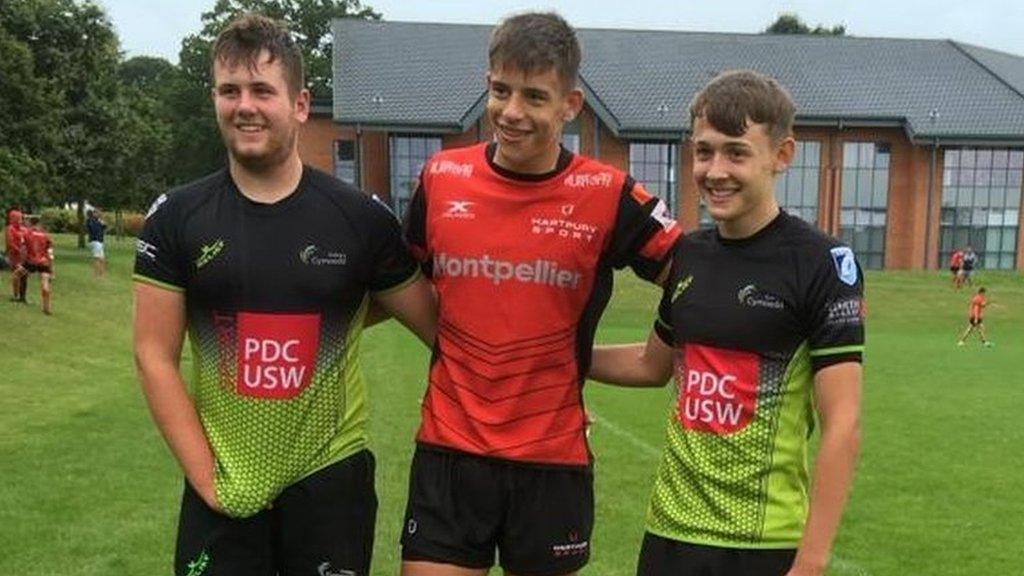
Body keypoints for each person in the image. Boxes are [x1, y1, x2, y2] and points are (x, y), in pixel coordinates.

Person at [132, 13, 436, 576]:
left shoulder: (359, 220)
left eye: (261, 90)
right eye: (229, 90)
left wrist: (540, 402)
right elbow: (154, 355)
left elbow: (442, 330)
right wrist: (209, 482)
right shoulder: (176, 217)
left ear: (299, 103)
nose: (244, 105)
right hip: (222, 478)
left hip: (330, 478)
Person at [399, 12, 682, 576]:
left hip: (552, 460)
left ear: (570, 105)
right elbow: (395, 283)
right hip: (449, 453)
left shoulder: (607, 193)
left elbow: (692, 271)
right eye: (501, 91)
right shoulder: (440, 177)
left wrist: (659, 353)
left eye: (534, 96)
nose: (511, 113)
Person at [589, 70, 865, 576]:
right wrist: (564, 356)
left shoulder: (822, 263)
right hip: (669, 533)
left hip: (764, 544)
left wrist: (812, 559)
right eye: (704, 151)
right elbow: (653, 365)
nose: (715, 170)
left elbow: (842, 423)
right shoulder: (688, 255)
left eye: (736, 152)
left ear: (782, 155)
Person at [23, 216, 54, 315]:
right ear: (39, 224)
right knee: (45, 283)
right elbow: (50, 253)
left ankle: (17, 296)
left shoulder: (27, 233)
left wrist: (23, 260)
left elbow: (23, 249)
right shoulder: (45, 236)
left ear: (30, 223)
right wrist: (52, 268)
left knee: (17, 275)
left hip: (31, 261)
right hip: (44, 262)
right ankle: (46, 307)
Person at [5, 209, 28, 302]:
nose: (20, 220)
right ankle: (16, 295)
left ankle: (22, 296)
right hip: (15, 256)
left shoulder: (24, 229)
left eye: (20, 218)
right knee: (17, 274)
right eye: (18, 218)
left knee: (24, 275)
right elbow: (10, 243)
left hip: (24, 256)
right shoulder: (10, 229)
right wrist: (18, 250)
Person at [86, 209, 107, 276]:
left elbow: (104, 227)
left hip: (100, 241)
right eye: (97, 213)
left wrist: (102, 223)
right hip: (95, 241)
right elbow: (94, 229)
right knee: (97, 258)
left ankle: (101, 273)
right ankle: (96, 274)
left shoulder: (99, 221)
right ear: (94, 213)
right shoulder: (91, 221)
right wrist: (99, 223)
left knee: (102, 258)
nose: (98, 214)